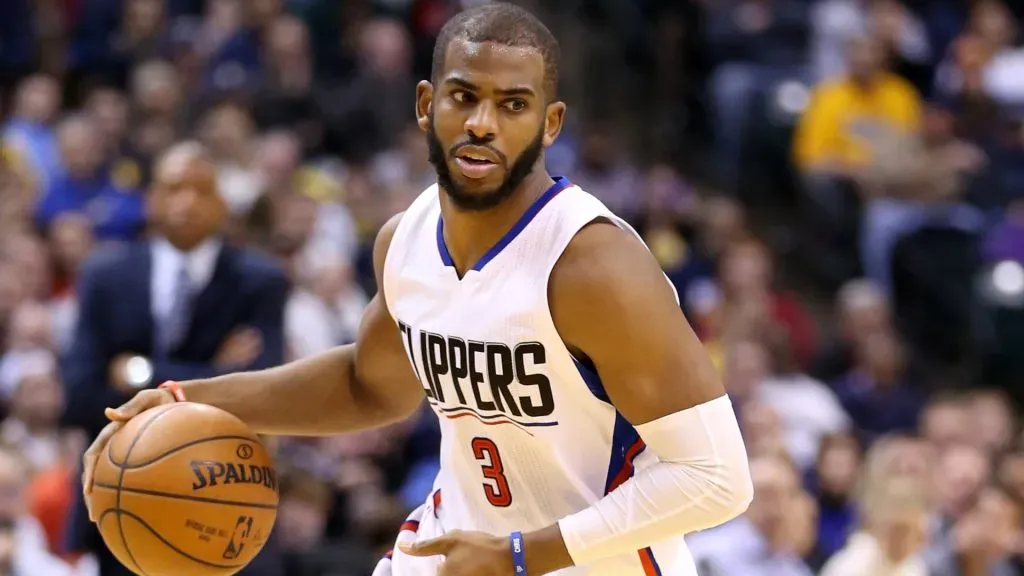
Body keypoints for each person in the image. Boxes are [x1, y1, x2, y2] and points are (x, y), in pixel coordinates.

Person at [80, 4, 753, 576]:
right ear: (428, 106)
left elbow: (717, 480)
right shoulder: (405, 239)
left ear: (549, 125)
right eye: (464, 97)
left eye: (512, 104)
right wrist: (181, 400)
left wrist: (519, 556)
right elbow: (364, 385)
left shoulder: (593, 266)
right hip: (451, 550)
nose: (483, 123)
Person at [63, 141, 289, 575]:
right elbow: (79, 395)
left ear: (222, 204)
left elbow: (264, 397)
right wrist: (217, 375)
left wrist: (138, 372)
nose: (186, 201)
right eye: (173, 188)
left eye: (201, 190)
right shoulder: (104, 276)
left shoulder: (261, 281)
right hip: (123, 502)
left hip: (229, 503)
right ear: (150, 199)